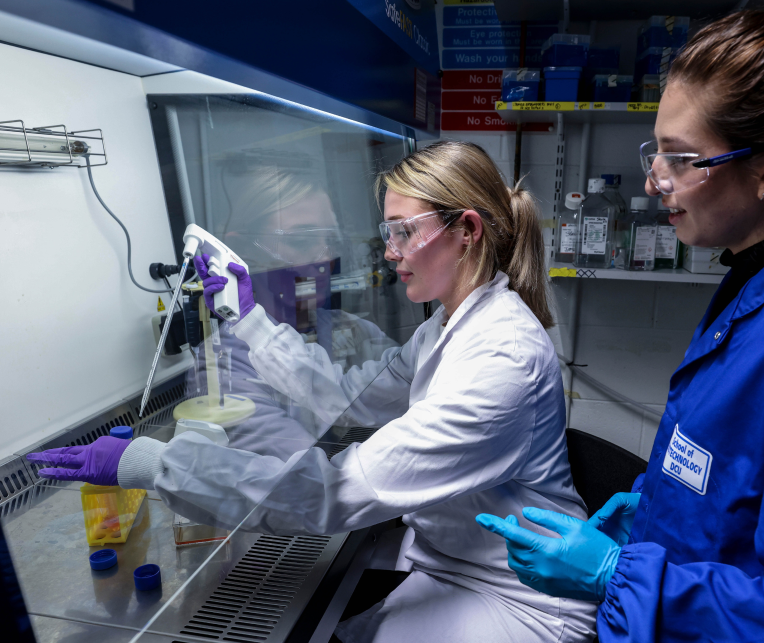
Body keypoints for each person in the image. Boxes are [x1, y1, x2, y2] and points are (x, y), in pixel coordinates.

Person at [477, 8, 764, 642]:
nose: (653, 181)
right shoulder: (758, 283)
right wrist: (653, 514)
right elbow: (737, 487)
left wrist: (618, 575)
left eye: (681, 158)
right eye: (656, 151)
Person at [29, 141, 598, 643]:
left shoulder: (500, 359)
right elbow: (351, 396)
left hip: (521, 597)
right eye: (387, 233)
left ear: (467, 230)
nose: (390, 251)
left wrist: (154, 463)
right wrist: (248, 317)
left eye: (404, 231)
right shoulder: (444, 328)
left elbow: (333, 494)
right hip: (457, 563)